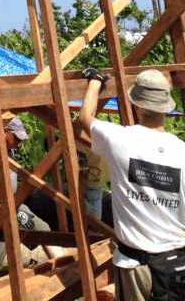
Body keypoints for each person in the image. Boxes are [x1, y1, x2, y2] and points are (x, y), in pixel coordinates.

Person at [78, 68, 185, 301]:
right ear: (165, 109)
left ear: (136, 104)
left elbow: (85, 118)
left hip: (134, 265)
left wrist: (95, 82)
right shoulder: (182, 153)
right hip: (176, 264)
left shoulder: (119, 140)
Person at [0, 116, 51, 276]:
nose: (19, 142)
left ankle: (63, 267)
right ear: (4, 131)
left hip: (13, 206)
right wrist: (22, 192)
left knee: (43, 231)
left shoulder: (10, 150)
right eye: (17, 137)